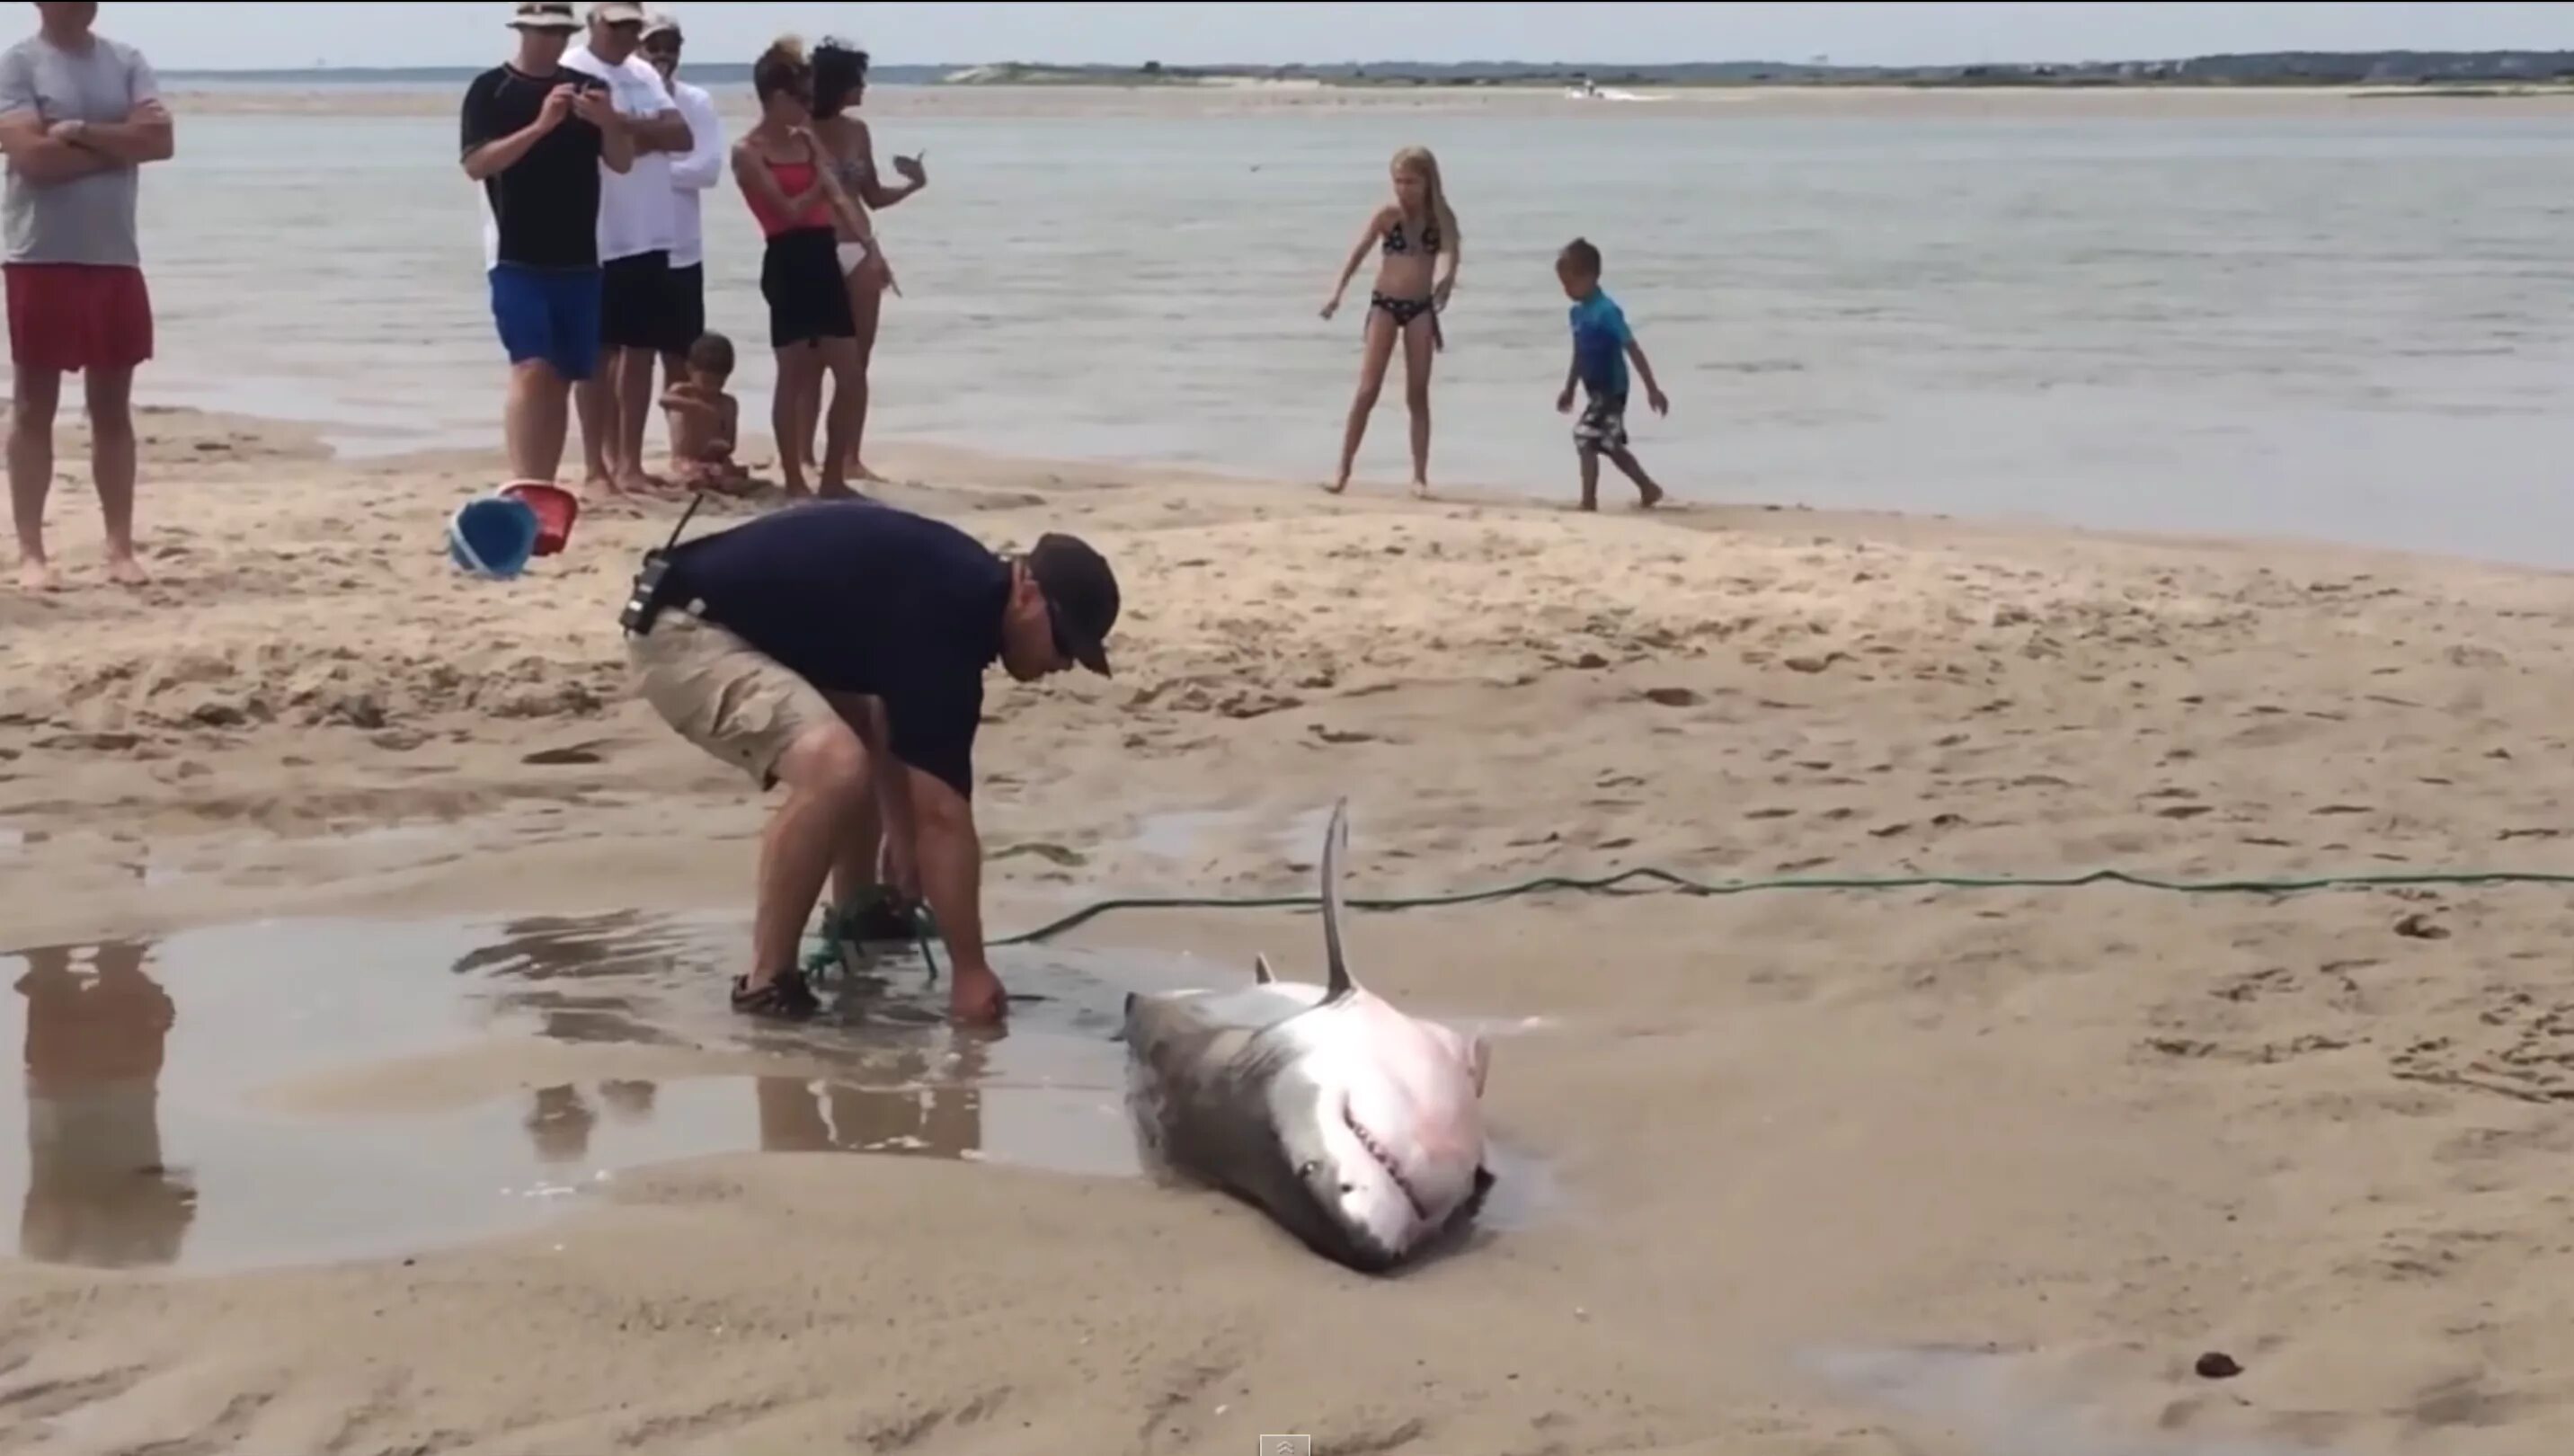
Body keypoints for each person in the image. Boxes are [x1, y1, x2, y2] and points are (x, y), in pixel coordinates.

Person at [619, 498, 1123, 1025]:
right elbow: (944, 818)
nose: (1062, 665)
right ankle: (766, 982)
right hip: (684, 631)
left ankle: (859, 915)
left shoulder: (961, 591)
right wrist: (971, 973)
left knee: (860, 732)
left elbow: (893, 728)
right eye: (1064, 644)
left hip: (726, 617)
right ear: (1027, 592)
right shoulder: (949, 616)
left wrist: (902, 844)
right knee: (836, 768)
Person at [0, 1, 173, 594]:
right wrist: (116, 145)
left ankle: (119, 547)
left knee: (111, 409)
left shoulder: (126, 60)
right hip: (39, 253)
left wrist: (77, 132)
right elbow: (32, 159)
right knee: (33, 406)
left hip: (113, 255)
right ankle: (32, 554)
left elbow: (160, 141)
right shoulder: (18, 64)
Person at [458, 1, 634, 492]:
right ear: (522, 32)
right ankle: (525, 481)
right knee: (531, 367)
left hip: (579, 257)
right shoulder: (491, 89)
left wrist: (610, 123)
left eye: (560, 32)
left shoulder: (590, 89)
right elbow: (477, 164)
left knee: (561, 375)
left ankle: (544, 484)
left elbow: (621, 163)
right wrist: (540, 126)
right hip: (516, 254)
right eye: (543, 31)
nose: (553, 40)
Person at [561, 0, 692, 501]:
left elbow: (680, 134)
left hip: (652, 230)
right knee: (597, 354)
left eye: (632, 26)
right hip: (600, 231)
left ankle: (630, 463)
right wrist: (638, 131)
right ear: (595, 23)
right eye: (615, 25)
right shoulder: (574, 69)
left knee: (640, 351)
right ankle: (597, 465)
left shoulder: (641, 72)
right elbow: (588, 143)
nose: (624, 35)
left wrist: (620, 123)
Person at [731, 38, 872, 499]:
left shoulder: (805, 140)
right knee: (793, 372)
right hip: (787, 257)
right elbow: (788, 210)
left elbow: (840, 199)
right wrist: (818, 172)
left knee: (849, 374)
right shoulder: (747, 151)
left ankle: (833, 477)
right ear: (778, 99)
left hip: (822, 254)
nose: (810, 107)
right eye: (803, 98)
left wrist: (869, 246)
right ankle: (793, 477)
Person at [793, 37, 926, 489]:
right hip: (813, 248)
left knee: (856, 364)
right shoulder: (797, 130)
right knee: (809, 360)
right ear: (836, 85)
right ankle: (804, 456)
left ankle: (849, 456)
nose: (863, 89)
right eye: (857, 81)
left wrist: (912, 186)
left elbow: (869, 195)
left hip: (858, 246)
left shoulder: (857, 132)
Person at [1319, 145, 1459, 500]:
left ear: (1428, 181)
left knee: (1417, 394)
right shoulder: (1387, 216)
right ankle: (1342, 470)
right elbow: (1358, 254)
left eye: (1411, 182)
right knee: (1367, 390)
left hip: (1419, 309)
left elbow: (1449, 255)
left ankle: (1419, 476)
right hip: (1384, 305)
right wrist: (1336, 293)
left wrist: (1446, 280)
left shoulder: (1440, 219)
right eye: (1398, 182)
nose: (1403, 189)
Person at [635, 11, 722, 417]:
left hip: (683, 252)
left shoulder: (695, 101)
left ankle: (681, 452)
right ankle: (622, 458)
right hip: (629, 248)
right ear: (637, 47)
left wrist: (651, 167)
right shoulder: (623, 98)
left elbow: (707, 170)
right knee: (626, 360)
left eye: (672, 46)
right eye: (654, 45)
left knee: (680, 360)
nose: (663, 54)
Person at [1553, 236, 1669, 511]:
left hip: (1612, 390)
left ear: (1591, 277)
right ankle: (1648, 487)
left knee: (1584, 436)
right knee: (1607, 443)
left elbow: (1632, 347)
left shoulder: (1607, 312)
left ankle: (1588, 501)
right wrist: (1569, 388)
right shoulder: (1577, 314)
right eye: (1563, 285)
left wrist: (1652, 389)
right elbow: (1579, 353)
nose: (1567, 290)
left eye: (1570, 282)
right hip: (1594, 390)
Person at [657, 330, 755, 493]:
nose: (712, 388)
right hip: (686, 459)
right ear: (689, 369)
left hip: (716, 460)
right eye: (707, 381)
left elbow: (730, 442)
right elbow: (663, 400)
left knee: (727, 474)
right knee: (692, 474)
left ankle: (723, 482)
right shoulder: (683, 392)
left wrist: (720, 447)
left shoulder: (727, 403)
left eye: (719, 382)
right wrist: (695, 407)